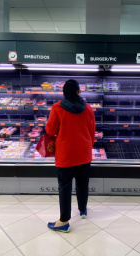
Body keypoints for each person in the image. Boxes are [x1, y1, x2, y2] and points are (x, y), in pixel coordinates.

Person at [45, 79, 96, 233]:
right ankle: (83, 210)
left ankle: (64, 221)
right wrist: (88, 146)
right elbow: (92, 131)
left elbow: (50, 131)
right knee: (82, 183)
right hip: (84, 152)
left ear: (64, 93)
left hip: (66, 154)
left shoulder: (57, 108)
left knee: (65, 186)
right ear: (78, 91)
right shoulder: (87, 108)